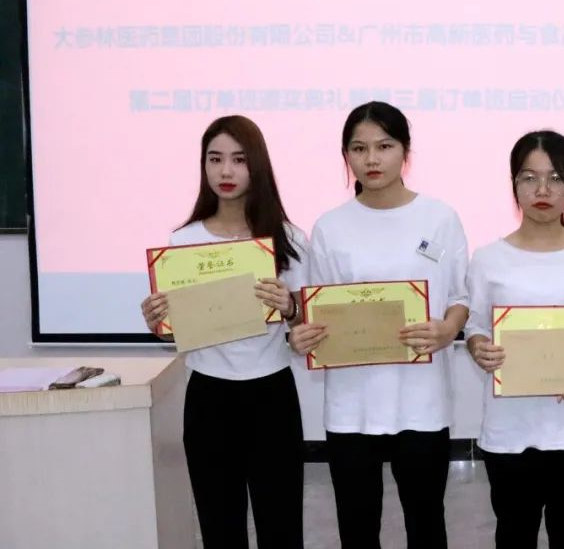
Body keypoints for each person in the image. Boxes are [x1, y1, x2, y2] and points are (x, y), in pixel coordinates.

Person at [288, 101, 469, 549]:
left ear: (406, 151)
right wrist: (303, 335)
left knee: (426, 523)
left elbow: (460, 297)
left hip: (421, 399)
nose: (372, 159)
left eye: (384, 146)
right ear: (346, 156)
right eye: (359, 148)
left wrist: (448, 329)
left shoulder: (440, 218)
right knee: (357, 527)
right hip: (352, 404)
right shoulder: (330, 227)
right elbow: (315, 307)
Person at [140, 115, 308, 549]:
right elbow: (176, 332)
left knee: (281, 527)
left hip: (272, 394)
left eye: (239, 159)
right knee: (220, 528)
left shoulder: (289, 240)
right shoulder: (182, 242)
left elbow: (306, 329)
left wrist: (291, 308)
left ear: (257, 165)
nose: (226, 171)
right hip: (209, 396)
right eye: (215, 159)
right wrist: (159, 323)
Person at [465, 130, 564, 549]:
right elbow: (476, 326)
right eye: (529, 178)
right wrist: (479, 348)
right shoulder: (488, 258)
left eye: (555, 178)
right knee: (514, 535)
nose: (542, 190)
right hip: (511, 431)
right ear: (513, 185)